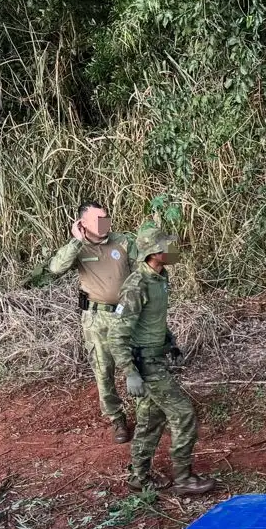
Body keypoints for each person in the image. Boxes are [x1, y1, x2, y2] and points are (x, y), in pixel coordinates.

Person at [113, 228, 216, 495]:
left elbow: (153, 319)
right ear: (154, 253)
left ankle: (139, 477)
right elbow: (117, 333)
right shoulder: (137, 286)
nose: (174, 250)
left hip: (156, 357)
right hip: (147, 364)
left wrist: (170, 342)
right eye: (167, 247)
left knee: (151, 419)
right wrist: (130, 372)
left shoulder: (160, 277)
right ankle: (184, 479)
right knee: (183, 415)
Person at [48, 201, 138, 443]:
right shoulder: (79, 247)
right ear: (83, 223)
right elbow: (56, 268)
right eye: (98, 219)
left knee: (137, 365)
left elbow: (139, 275)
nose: (104, 223)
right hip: (96, 319)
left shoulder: (123, 241)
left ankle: (146, 413)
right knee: (103, 370)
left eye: (106, 218)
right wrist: (76, 241)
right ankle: (117, 419)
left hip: (125, 315)